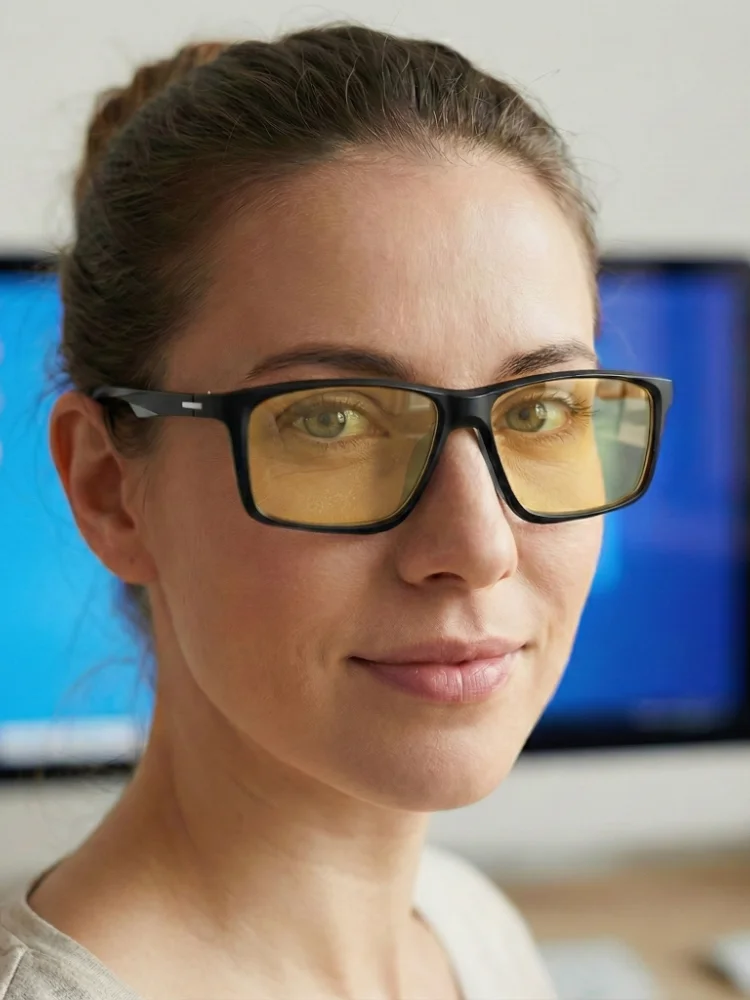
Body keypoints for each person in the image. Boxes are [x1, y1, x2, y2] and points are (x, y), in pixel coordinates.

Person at [0, 24, 671, 1000]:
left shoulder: (472, 932)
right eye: (332, 420)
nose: (476, 545)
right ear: (110, 489)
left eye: (539, 411)